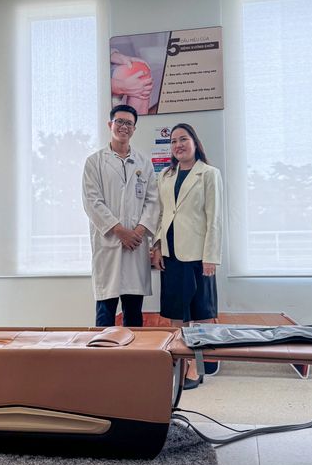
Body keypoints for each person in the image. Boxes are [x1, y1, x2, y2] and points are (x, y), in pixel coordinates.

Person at [151, 123, 223, 389]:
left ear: (194, 142)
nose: (178, 145)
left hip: (198, 254)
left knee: (200, 311)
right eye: (173, 141)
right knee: (176, 312)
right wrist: (157, 246)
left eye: (183, 139)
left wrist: (211, 256)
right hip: (170, 253)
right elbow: (162, 214)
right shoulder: (165, 175)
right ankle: (181, 362)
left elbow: (214, 218)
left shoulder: (209, 174)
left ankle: (196, 366)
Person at [82, 105, 159, 326]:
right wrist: (119, 231)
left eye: (129, 123)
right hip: (109, 245)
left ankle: (133, 350)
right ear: (110, 125)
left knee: (133, 315)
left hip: (135, 246)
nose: (124, 127)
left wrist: (139, 231)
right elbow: (92, 201)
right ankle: (103, 350)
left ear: (134, 129)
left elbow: (153, 200)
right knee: (105, 314)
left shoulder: (144, 163)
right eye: (119, 121)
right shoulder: (95, 162)